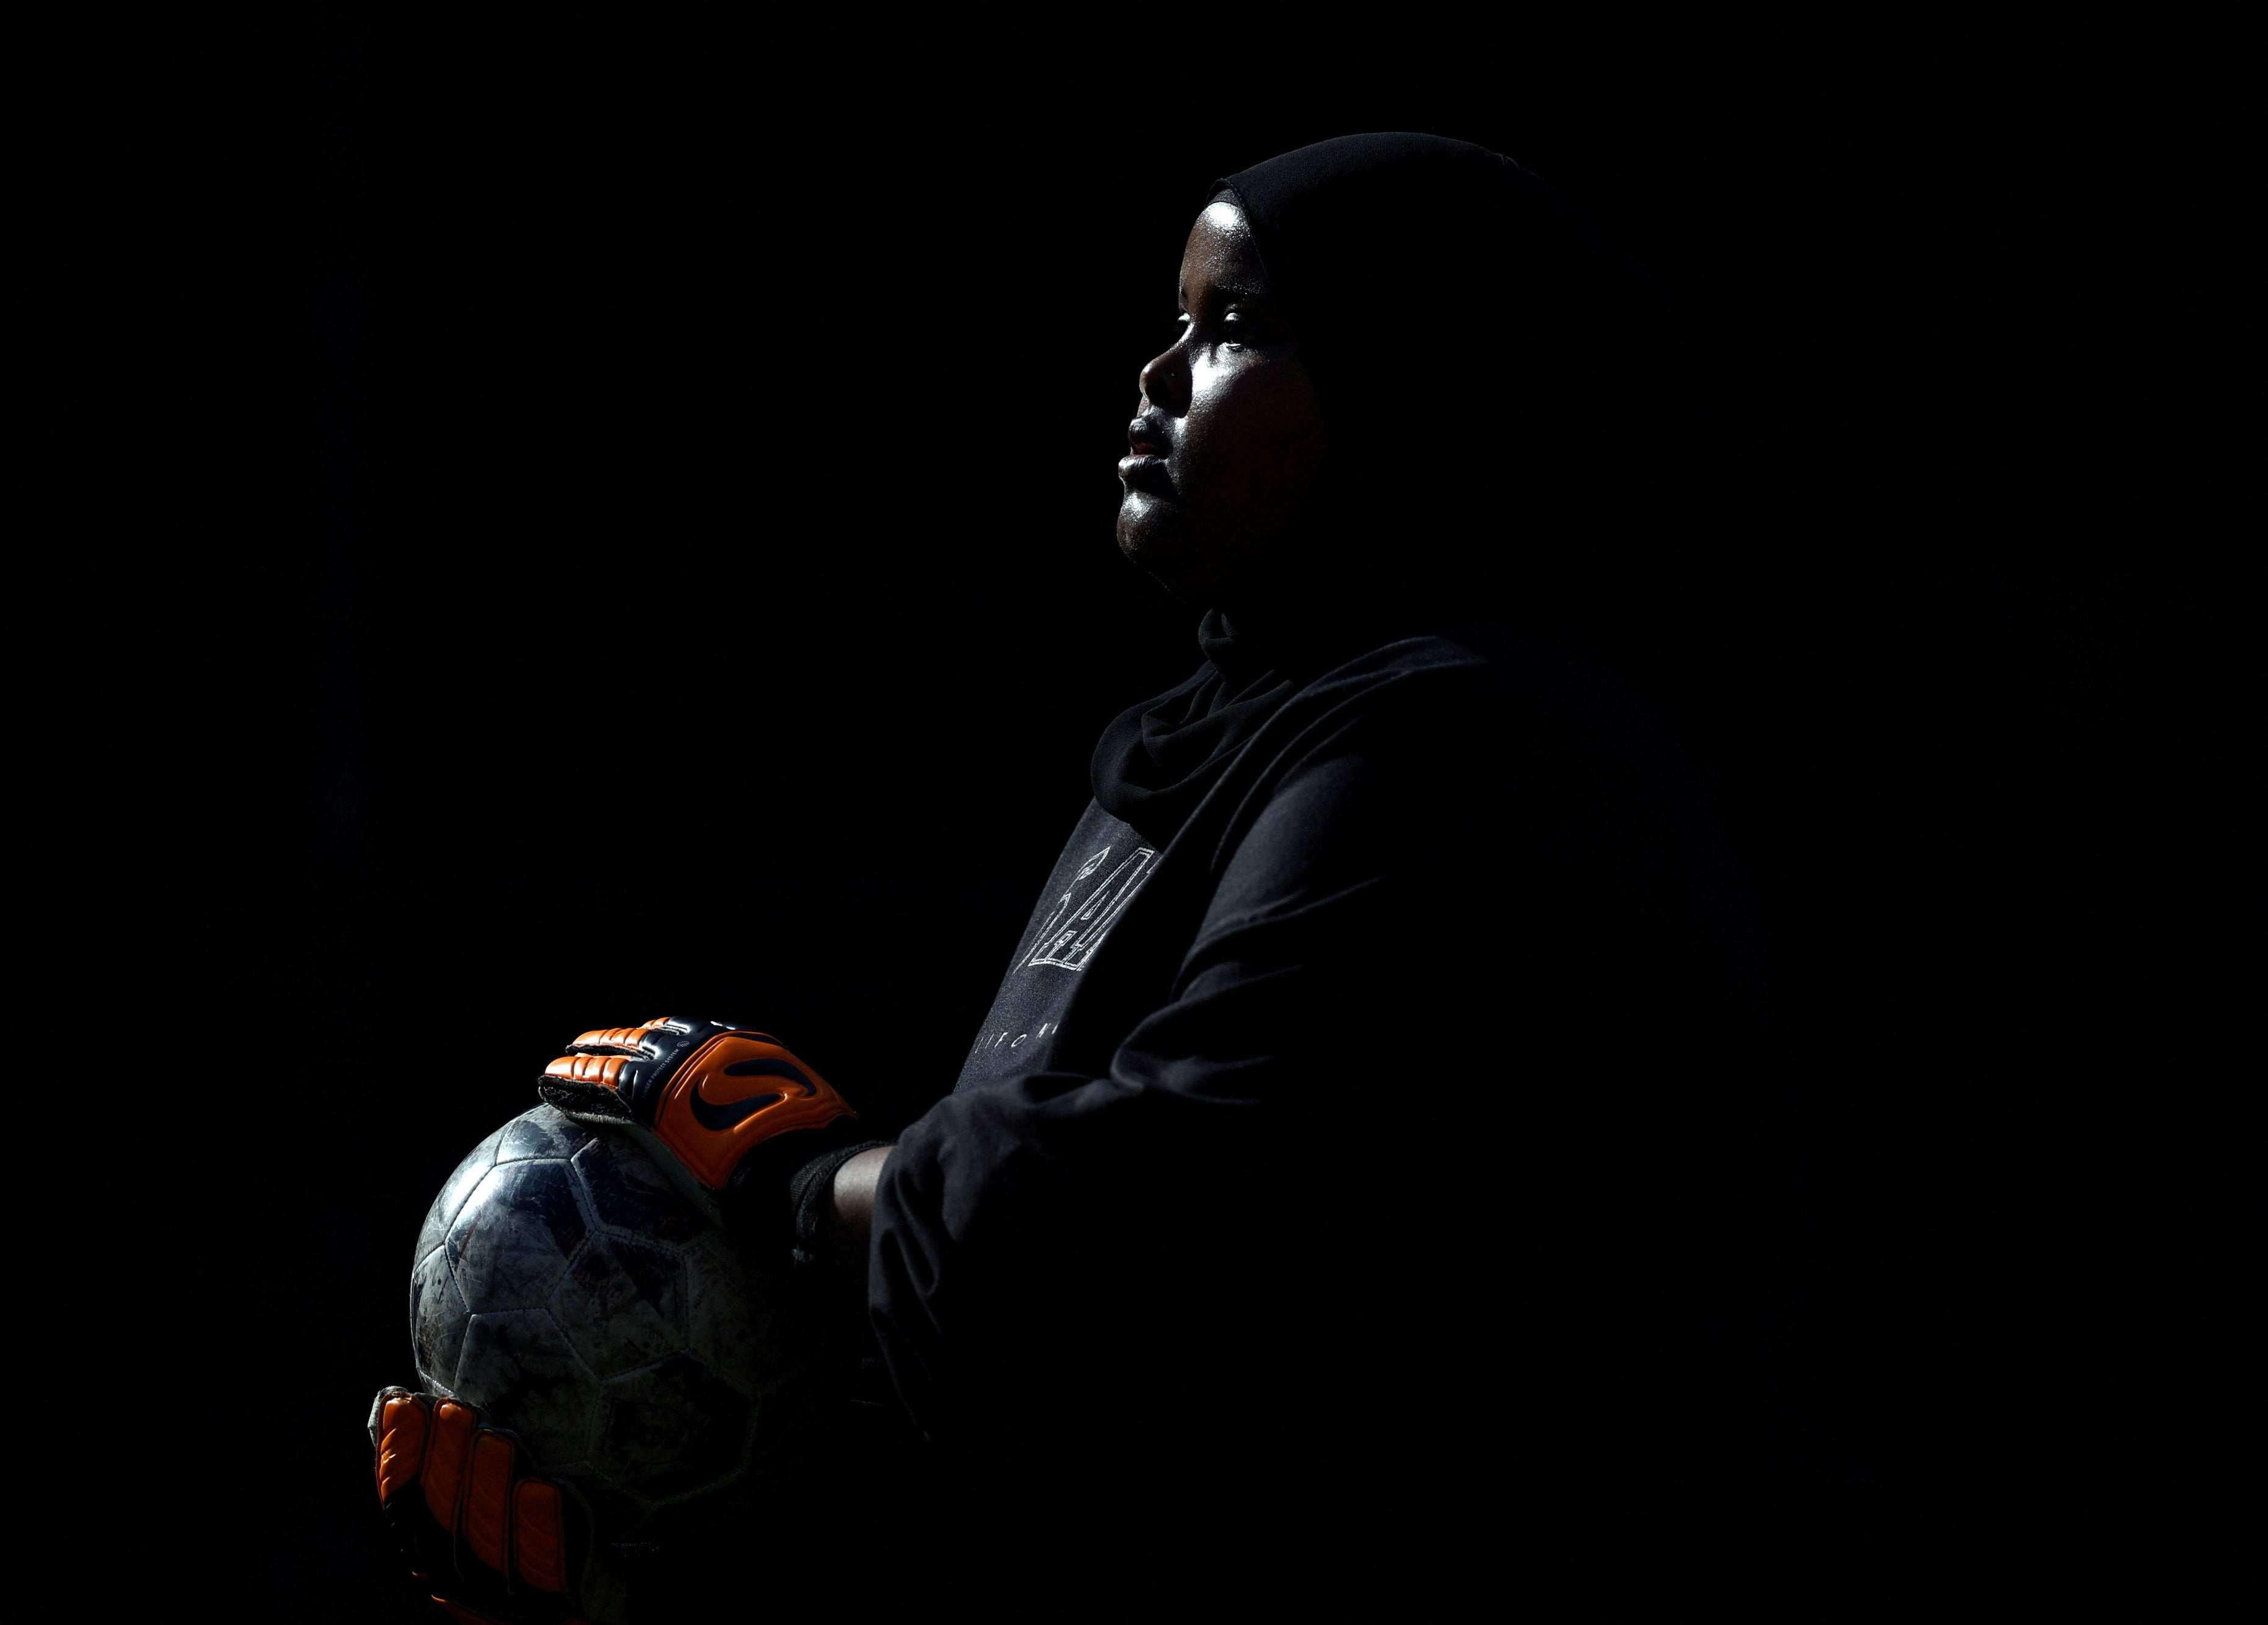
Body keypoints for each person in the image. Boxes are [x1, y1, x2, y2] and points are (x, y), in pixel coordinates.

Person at [371, 133, 1799, 1619]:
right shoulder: (1193, 751)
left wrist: (794, 1181)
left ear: (1418, 385)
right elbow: (1035, 1404)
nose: (1160, 374)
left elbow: (1157, 1226)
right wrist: (640, 1543)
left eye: (1236, 326)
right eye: (1175, 320)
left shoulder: (1476, 757)